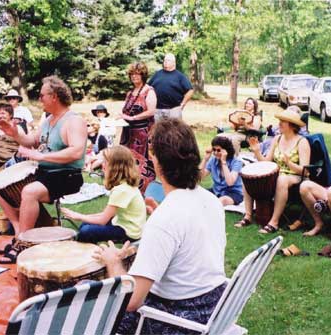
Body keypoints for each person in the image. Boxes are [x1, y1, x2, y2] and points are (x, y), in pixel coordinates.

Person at [93, 118, 227, 334]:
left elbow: (131, 301)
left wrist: (112, 262)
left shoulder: (166, 219)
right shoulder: (210, 200)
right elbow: (189, 238)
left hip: (179, 322)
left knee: (97, 311)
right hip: (214, 307)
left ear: (156, 160)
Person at [0, 76, 86, 248]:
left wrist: (41, 156)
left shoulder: (74, 120)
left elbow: (76, 151)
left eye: (41, 95)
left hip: (67, 175)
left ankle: (24, 244)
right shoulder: (47, 120)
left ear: (54, 96)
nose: (39, 99)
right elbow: (31, 141)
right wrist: (14, 133)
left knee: (30, 192)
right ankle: (19, 233)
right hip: (44, 173)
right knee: (1, 187)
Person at [235, 107, 310, 233]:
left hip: (295, 176)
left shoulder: (302, 142)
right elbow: (267, 162)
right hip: (278, 174)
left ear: (292, 125)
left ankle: (274, 222)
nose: (279, 124)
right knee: (248, 175)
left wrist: (289, 163)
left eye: (282, 121)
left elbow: (305, 171)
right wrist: (257, 151)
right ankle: (248, 215)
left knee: (282, 179)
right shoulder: (277, 139)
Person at [61, 146, 146, 243]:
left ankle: (86, 254)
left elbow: (103, 220)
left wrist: (77, 216)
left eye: (106, 162)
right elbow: (106, 215)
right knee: (85, 225)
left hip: (130, 232)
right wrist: (84, 217)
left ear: (116, 167)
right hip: (123, 223)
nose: (103, 165)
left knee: (86, 231)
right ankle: (89, 250)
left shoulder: (121, 190)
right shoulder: (124, 184)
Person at [120, 61, 157, 192]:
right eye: (132, 74)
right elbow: (126, 110)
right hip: (128, 133)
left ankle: (145, 189)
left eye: (137, 74)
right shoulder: (130, 93)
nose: (134, 77)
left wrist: (133, 118)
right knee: (127, 159)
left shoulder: (149, 91)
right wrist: (121, 115)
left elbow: (151, 111)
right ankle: (129, 186)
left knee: (143, 162)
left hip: (143, 133)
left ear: (143, 75)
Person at [148, 53, 194, 121]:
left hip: (174, 110)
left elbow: (190, 90)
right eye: (164, 60)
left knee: (174, 131)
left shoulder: (180, 76)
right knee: (157, 131)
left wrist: (183, 104)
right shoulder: (157, 74)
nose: (165, 62)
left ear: (174, 63)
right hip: (157, 110)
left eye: (168, 60)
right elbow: (148, 87)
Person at [200, 136, 244, 206]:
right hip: (216, 191)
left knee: (222, 200)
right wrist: (205, 159)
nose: (215, 152)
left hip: (233, 193)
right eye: (214, 149)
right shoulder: (213, 160)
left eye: (218, 150)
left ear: (226, 150)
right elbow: (200, 177)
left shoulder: (236, 162)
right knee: (198, 194)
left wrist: (223, 162)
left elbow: (230, 182)